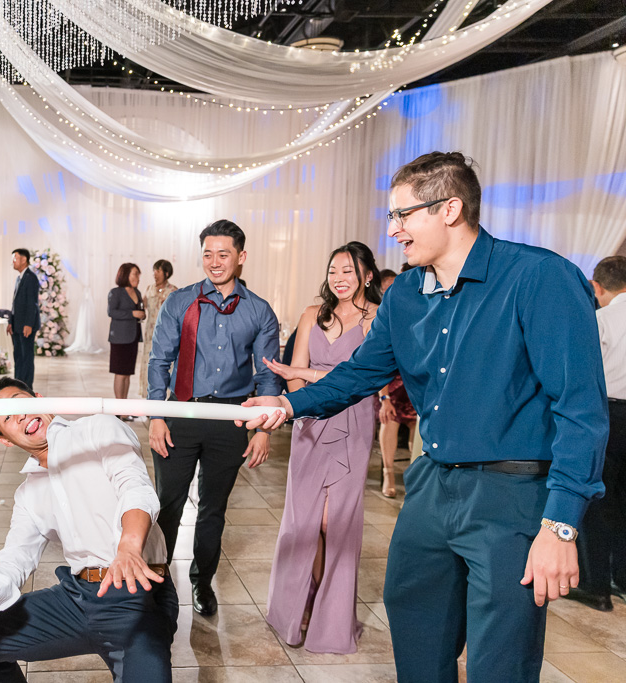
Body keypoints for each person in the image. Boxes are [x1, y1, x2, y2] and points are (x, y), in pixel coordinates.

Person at [241, 152, 608, 682]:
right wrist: (288, 403)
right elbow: (362, 373)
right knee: (413, 624)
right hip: (431, 490)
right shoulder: (406, 295)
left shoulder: (540, 278)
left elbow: (581, 410)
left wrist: (560, 526)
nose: (394, 230)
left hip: (512, 498)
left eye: (403, 215)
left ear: (450, 209)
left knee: (500, 659)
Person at [0, 377, 178, 683]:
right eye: (7, 417)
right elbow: (12, 564)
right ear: (5, 439)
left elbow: (135, 488)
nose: (20, 415)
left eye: (20, 402)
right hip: (77, 599)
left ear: (39, 399)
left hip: (137, 595)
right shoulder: (28, 495)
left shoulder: (99, 428)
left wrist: (129, 546)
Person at [148, 219, 280, 617]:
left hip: (232, 421)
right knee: (167, 506)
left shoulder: (260, 311)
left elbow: (268, 375)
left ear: (241, 257)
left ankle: (202, 581)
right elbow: (159, 361)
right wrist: (157, 416)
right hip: (180, 415)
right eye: (208, 253)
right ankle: (157, 584)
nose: (215, 261)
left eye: (224, 254)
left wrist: (262, 430)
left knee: (213, 509)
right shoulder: (179, 303)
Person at [260, 242, 381, 653]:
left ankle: (331, 614)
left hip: (354, 422)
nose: (339, 278)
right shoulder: (313, 315)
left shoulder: (377, 319)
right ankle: (300, 606)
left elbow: (366, 379)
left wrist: (309, 377)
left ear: (367, 275)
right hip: (311, 422)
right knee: (304, 521)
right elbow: (292, 381)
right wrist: (306, 391)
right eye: (333, 271)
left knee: (336, 523)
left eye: (348, 270)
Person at [567, 255, 626, 611]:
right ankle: (623, 577)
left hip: (609, 414)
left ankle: (597, 586)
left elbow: (585, 373)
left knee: (598, 499)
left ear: (597, 287)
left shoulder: (601, 319)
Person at [375, 267, 416, 498]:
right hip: (391, 380)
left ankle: (415, 473)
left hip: (413, 379)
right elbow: (380, 358)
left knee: (417, 425)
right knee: (389, 418)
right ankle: (388, 472)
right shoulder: (385, 313)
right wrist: (384, 397)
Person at [108, 263, 145, 410]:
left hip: (133, 336)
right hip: (119, 338)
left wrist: (141, 314)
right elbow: (112, 312)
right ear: (125, 275)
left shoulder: (138, 292)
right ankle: (119, 409)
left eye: (138, 275)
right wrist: (132, 314)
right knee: (120, 373)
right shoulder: (115, 292)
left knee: (128, 374)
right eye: (135, 274)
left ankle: (124, 408)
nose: (138, 278)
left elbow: (139, 310)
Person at [138, 259, 177, 398]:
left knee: (164, 365)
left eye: (158, 270)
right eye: (154, 270)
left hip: (166, 333)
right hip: (150, 333)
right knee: (149, 363)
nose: (155, 273)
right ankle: (149, 399)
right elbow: (142, 307)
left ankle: (165, 399)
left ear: (166, 273)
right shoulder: (149, 289)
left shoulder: (173, 291)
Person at [8, 248, 40, 391]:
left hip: (26, 326)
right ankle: (18, 385)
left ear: (24, 260)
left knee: (26, 357)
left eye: (15, 258)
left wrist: (28, 324)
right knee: (18, 357)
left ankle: (26, 388)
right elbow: (16, 303)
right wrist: (11, 322)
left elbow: (32, 304)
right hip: (17, 325)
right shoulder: (19, 278)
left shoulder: (31, 277)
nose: (13, 262)